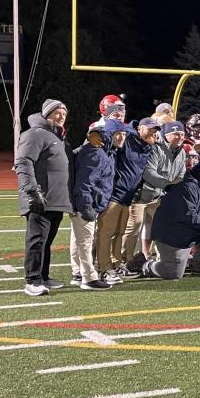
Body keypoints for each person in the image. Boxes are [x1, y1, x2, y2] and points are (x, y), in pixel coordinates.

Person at [14, 99, 75, 296]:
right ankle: (32, 280)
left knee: (46, 241)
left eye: (64, 113)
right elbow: (23, 162)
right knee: (37, 240)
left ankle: (44, 276)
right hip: (41, 197)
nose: (61, 116)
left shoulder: (58, 136)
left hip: (57, 199)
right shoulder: (34, 134)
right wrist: (32, 191)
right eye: (57, 112)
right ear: (46, 113)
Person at [96, 117, 158, 284]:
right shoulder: (128, 140)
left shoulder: (147, 146)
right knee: (105, 233)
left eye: (156, 129)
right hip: (113, 195)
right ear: (140, 129)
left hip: (127, 197)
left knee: (119, 233)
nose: (154, 132)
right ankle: (103, 268)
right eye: (151, 128)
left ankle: (115, 265)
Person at [142, 155, 200, 279]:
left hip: (187, 234)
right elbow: (188, 215)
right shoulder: (186, 188)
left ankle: (198, 263)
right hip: (172, 236)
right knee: (173, 274)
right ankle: (145, 265)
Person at [124, 119, 186, 273]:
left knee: (159, 227)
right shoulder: (156, 148)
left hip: (158, 196)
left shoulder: (182, 152)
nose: (180, 137)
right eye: (176, 134)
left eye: (182, 134)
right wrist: (168, 184)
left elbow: (181, 174)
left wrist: (171, 186)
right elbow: (148, 173)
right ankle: (126, 260)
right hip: (141, 195)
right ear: (167, 135)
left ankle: (161, 257)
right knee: (133, 228)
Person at [70, 121, 119, 290]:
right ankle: (89, 278)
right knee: (85, 241)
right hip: (86, 204)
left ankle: (78, 274)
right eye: (118, 133)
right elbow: (85, 183)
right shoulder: (96, 153)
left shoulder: (103, 152)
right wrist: (86, 206)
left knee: (79, 240)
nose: (122, 137)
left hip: (88, 203)